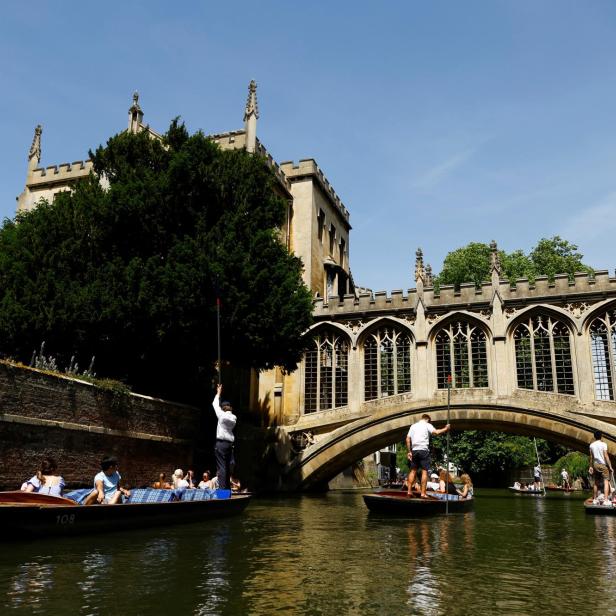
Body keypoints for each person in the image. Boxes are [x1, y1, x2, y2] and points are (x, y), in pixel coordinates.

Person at [406, 414, 450, 498]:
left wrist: (409, 452)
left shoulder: (413, 426)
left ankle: (409, 492)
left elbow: (407, 439)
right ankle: (423, 493)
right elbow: (436, 432)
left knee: (413, 471)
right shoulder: (427, 425)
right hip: (423, 450)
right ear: (427, 419)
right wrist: (446, 428)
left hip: (414, 450)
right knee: (424, 471)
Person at [212, 383, 237, 490]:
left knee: (221, 468)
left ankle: (222, 494)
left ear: (223, 408)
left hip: (221, 444)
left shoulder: (221, 415)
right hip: (229, 445)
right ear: (230, 408)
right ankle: (227, 492)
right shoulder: (234, 418)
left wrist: (218, 392)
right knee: (226, 468)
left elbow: (214, 404)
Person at [589, 430, 613, 506]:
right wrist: (610, 466)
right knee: (606, 482)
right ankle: (606, 500)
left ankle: (595, 499)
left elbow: (591, 457)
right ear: (601, 436)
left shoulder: (591, 445)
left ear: (594, 437)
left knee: (596, 482)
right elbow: (606, 456)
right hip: (603, 465)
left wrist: (590, 466)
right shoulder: (604, 444)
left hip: (595, 465)